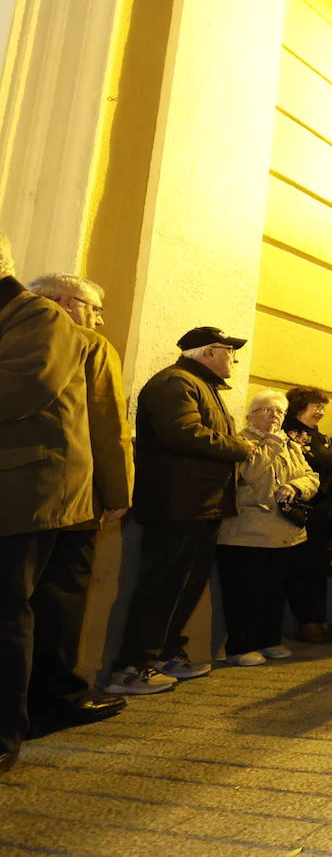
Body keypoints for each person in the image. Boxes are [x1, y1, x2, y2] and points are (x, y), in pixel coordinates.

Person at [107, 326, 255, 696]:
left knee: (185, 586)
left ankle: (165, 654)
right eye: (227, 351)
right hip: (178, 505)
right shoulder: (175, 383)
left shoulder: (199, 385)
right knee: (161, 587)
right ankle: (131, 667)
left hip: (199, 505)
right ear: (207, 353)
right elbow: (182, 432)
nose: (232, 359)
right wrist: (239, 447)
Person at [0, 238, 95, 774]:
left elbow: (21, 387)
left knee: (6, 613)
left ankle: (4, 733)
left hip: (22, 491)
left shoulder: (41, 317)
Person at [23, 274, 133, 735]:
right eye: (95, 307)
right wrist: (116, 492)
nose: (100, 319)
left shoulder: (12, 337)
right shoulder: (88, 344)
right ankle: (58, 699)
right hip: (71, 498)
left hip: (15, 496)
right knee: (61, 601)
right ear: (68, 303)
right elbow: (106, 421)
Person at [215, 390, 318, 665]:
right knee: (245, 592)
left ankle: (268, 640)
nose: (275, 416)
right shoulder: (240, 441)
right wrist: (271, 443)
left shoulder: (290, 445)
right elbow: (248, 475)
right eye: (267, 410)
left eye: (280, 412)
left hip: (284, 533)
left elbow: (311, 476)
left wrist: (294, 486)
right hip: (246, 533)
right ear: (250, 415)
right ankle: (240, 647)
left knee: (274, 591)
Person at [282, 387, 332, 644]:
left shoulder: (323, 438)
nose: (321, 412)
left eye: (322, 407)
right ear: (298, 407)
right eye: (316, 406)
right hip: (301, 512)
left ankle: (319, 618)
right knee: (301, 567)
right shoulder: (287, 435)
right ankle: (306, 621)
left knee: (319, 568)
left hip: (323, 513)